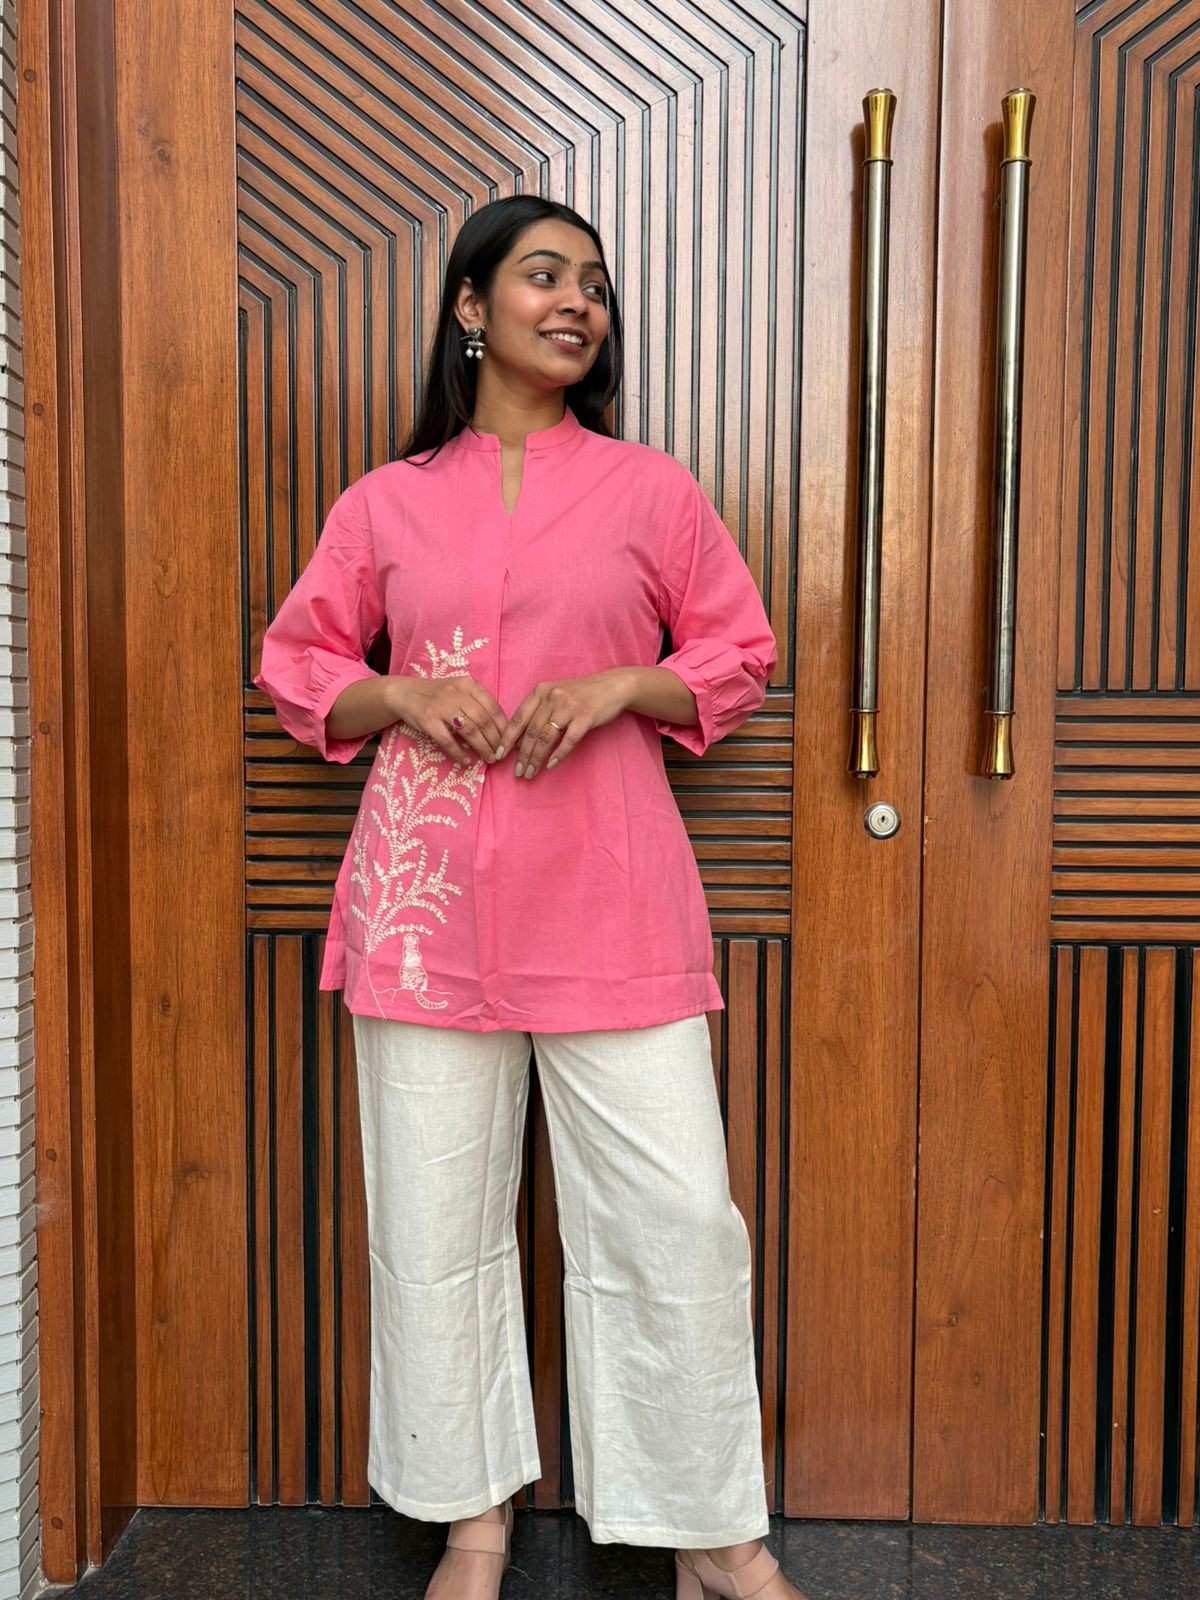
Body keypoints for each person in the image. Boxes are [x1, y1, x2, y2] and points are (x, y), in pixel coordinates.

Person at [254, 195, 803, 1600]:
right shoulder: (384, 503)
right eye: (545, 276)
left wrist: (625, 683)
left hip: (612, 900)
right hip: (426, 908)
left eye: (595, 288)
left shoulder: (652, 492)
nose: (577, 304)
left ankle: (713, 1539)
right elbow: (301, 664)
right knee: (434, 1228)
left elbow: (738, 653)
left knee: (678, 1224)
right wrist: (401, 696)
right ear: (469, 306)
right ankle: (472, 1524)